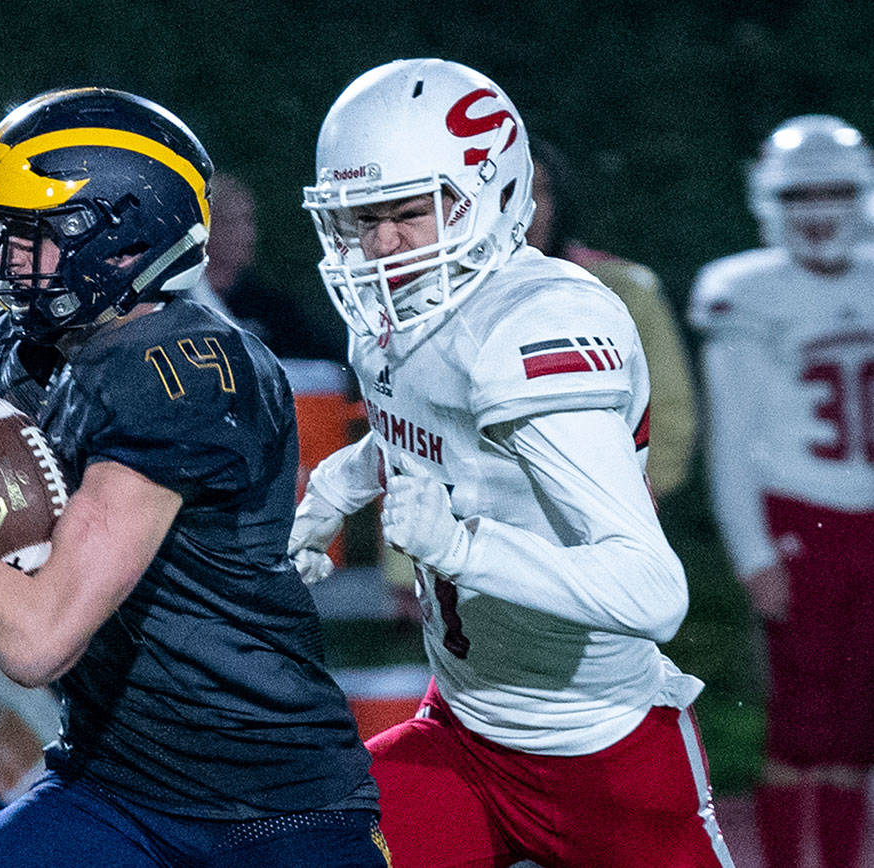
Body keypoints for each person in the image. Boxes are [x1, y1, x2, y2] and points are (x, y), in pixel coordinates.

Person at [0, 87, 389, 867]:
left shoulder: (185, 367)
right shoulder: (24, 360)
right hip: (114, 786)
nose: (4, 258)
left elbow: (40, 637)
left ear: (121, 236)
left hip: (268, 811)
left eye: (29, 233)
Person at [290, 58, 735, 866]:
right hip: (462, 730)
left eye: (405, 212)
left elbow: (652, 591)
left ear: (485, 198)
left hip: (604, 756)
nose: (379, 243)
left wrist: (462, 548)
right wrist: (343, 479)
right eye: (360, 217)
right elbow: (435, 434)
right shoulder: (402, 308)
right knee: (309, 845)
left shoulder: (534, 325)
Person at [689, 114, 874, 868]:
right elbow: (731, 436)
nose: (820, 211)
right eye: (803, 194)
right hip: (799, 513)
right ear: (771, 199)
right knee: (803, 719)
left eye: (836, 191)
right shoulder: (744, 290)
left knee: (858, 721)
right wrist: (752, 549)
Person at [525, 137, 697, 501]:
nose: (529, 209)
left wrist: (635, 504)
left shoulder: (620, 289)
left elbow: (669, 414)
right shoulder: (431, 298)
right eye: (509, 192)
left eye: (540, 191)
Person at [188, 171, 345, 362]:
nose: (245, 233)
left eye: (248, 220)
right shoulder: (173, 302)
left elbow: (327, 362)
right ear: (202, 227)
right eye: (230, 221)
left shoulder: (269, 307)